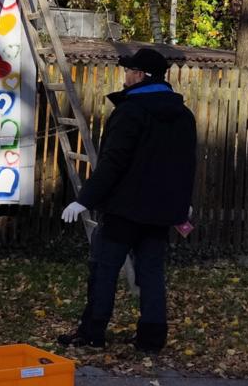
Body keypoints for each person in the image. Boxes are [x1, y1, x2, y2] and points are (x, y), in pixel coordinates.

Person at [58, 47, 197, 353]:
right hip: (161, 211)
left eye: (128, 71)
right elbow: (186, 165)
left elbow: (113, 163)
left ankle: (93, 332)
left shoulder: (130, 111)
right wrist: (182, 203)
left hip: (124, 209)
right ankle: (151, 338)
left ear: (140, 76)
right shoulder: (183, 115)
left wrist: (85, 199)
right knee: (151, 273)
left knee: (105, 269)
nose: (124, 77)